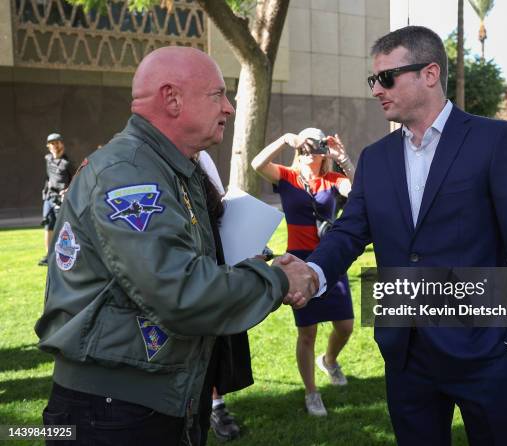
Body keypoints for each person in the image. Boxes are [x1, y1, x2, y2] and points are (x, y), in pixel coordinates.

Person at [35, 46, 316, 446]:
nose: (230, 108)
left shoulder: (169, 168)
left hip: (151, 397)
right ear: (172, 98)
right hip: (112, 410)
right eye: (218, 95)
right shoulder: (128, 172)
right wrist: (277, 280)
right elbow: (180, 291)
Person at [297, 26, 507, 445]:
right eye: (373, 80)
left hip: (484, 350)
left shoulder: (494, 140)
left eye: (387, 78)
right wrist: (311, 272)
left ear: (430, 73)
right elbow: (349, 230)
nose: (377, 90)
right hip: (405, 351)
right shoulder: (375, 158)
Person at [251, 129, 355, 417]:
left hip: (331, 259)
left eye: (316, 146)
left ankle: (330, 360)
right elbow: (257, 165)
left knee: (345, 326)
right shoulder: (286, 176)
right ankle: (312, 393)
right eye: (305, 146)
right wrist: (285, 139)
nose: (310, 152)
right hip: (298, 261)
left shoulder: (332, 179)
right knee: (306, 332)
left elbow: (359, 195)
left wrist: (343, 158)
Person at [195, 150, 245, 443]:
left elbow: (219, 203)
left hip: (214, 264)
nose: (226, 109)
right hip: (186, 272)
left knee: (218, 342)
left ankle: (216, 405)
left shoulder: (201, 156)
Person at [39, 133, 74, 266]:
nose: (55, 146)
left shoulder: (67, 164)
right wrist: (45, 191)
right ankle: (49, 256)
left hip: (61, 200)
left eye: (57, 143)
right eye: (52, 143)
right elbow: (49, 177)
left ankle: (65, 254)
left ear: (62, 144)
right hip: (49, 198)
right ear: (48, 146)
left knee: (63, 227)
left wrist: (67, 191)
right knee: (48, 226)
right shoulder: (48, 159)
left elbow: (75, 181)